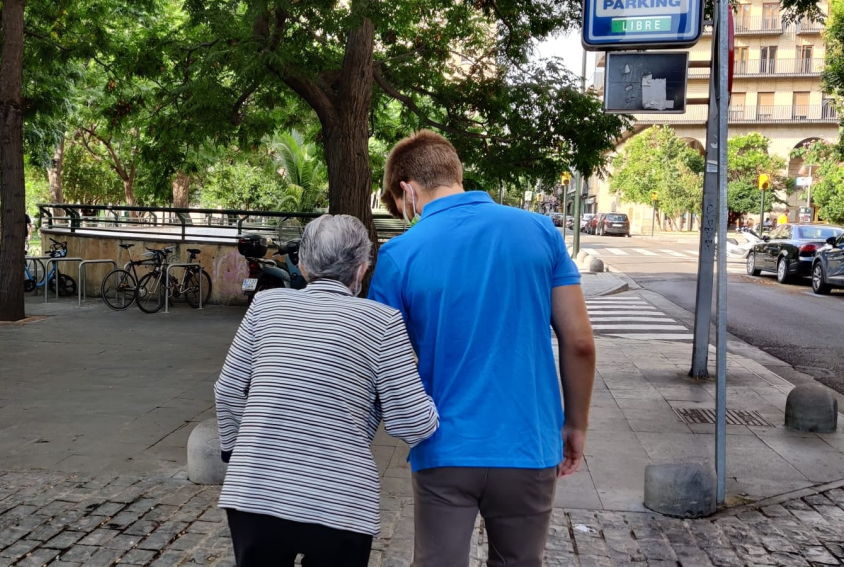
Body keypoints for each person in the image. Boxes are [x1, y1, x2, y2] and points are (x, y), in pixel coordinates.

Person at [370, 131, 596, 567]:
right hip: (528, 442)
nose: (406, 217)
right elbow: (581, 343)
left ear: (407, 191)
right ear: (456, 174)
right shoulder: (539, 231)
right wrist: (575, 425)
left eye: (401, 209)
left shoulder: (399, 254)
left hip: (443, 445)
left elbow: (382, 359)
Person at [215, 214, 439, 567]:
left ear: (302, 265)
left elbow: (228, 390)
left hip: (255, 493)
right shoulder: (382, 323)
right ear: (362, 268)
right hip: (340, 502)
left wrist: (236, 451)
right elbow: (413, 424)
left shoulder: (266, 306)